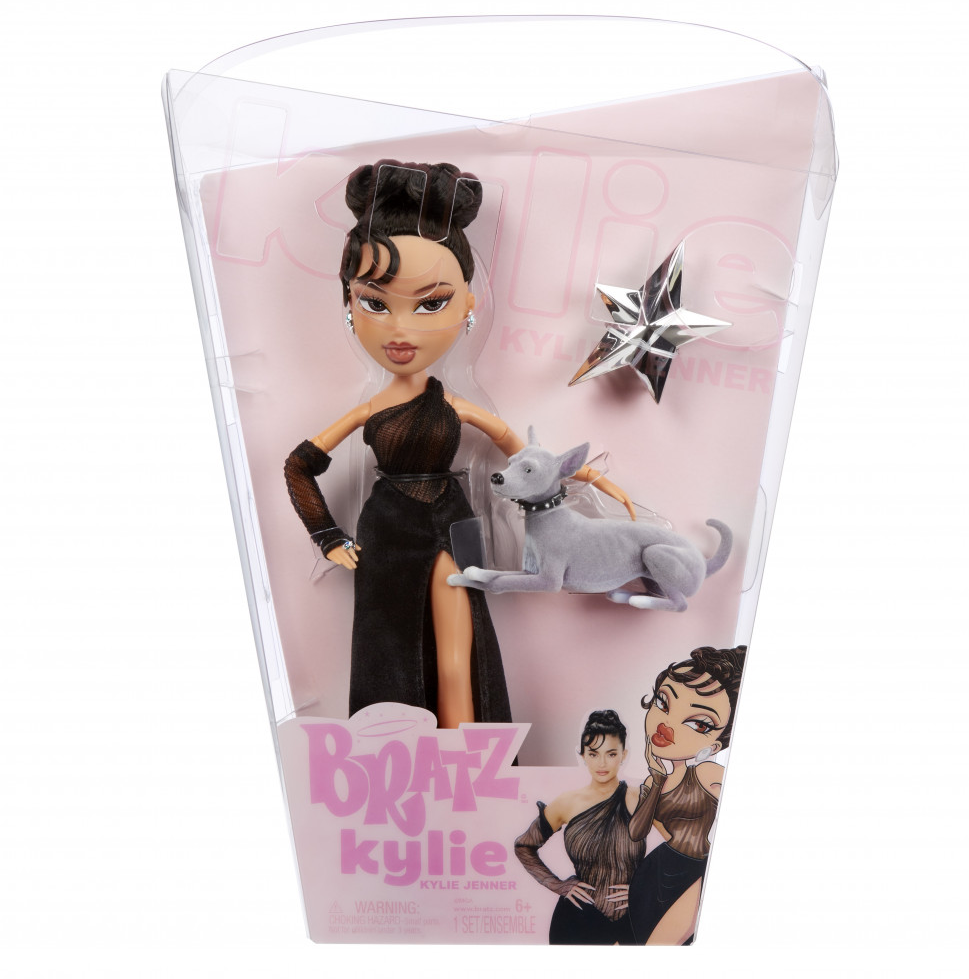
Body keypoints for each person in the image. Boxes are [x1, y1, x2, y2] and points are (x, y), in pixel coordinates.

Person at [283, 160, 634, 728]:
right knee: (392, 649)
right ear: (349, 303)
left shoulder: (458, 407)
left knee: (460, 650)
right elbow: (298, 467)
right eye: (375, 302)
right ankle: (404, 753)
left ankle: (468, 756)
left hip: (454, 518)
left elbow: (525, 457)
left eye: (431, 303)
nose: (402, 329)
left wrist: (583, 476)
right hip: (387, 528)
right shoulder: (369, 410)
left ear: (468, 304)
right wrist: (327, 536)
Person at [627, 645, 747, 945]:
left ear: (715, 745)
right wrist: (657, 778)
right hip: (652, 874)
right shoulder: (654, 779)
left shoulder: (707, 774)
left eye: (698, 723)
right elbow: (636, 832)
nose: (667, 725)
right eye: (663, 702)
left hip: (695, 876)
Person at [513, 710, 646, 944]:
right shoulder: (567, 803)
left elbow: (682, 850)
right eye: (593, 754)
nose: (602, 763)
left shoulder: (641, 799)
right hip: (577, 921)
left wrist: (646, 890)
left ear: (623, 755)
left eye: (611, 754)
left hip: (633, 920)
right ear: (582, 755)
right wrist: (557, 885)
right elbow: (524, 846)